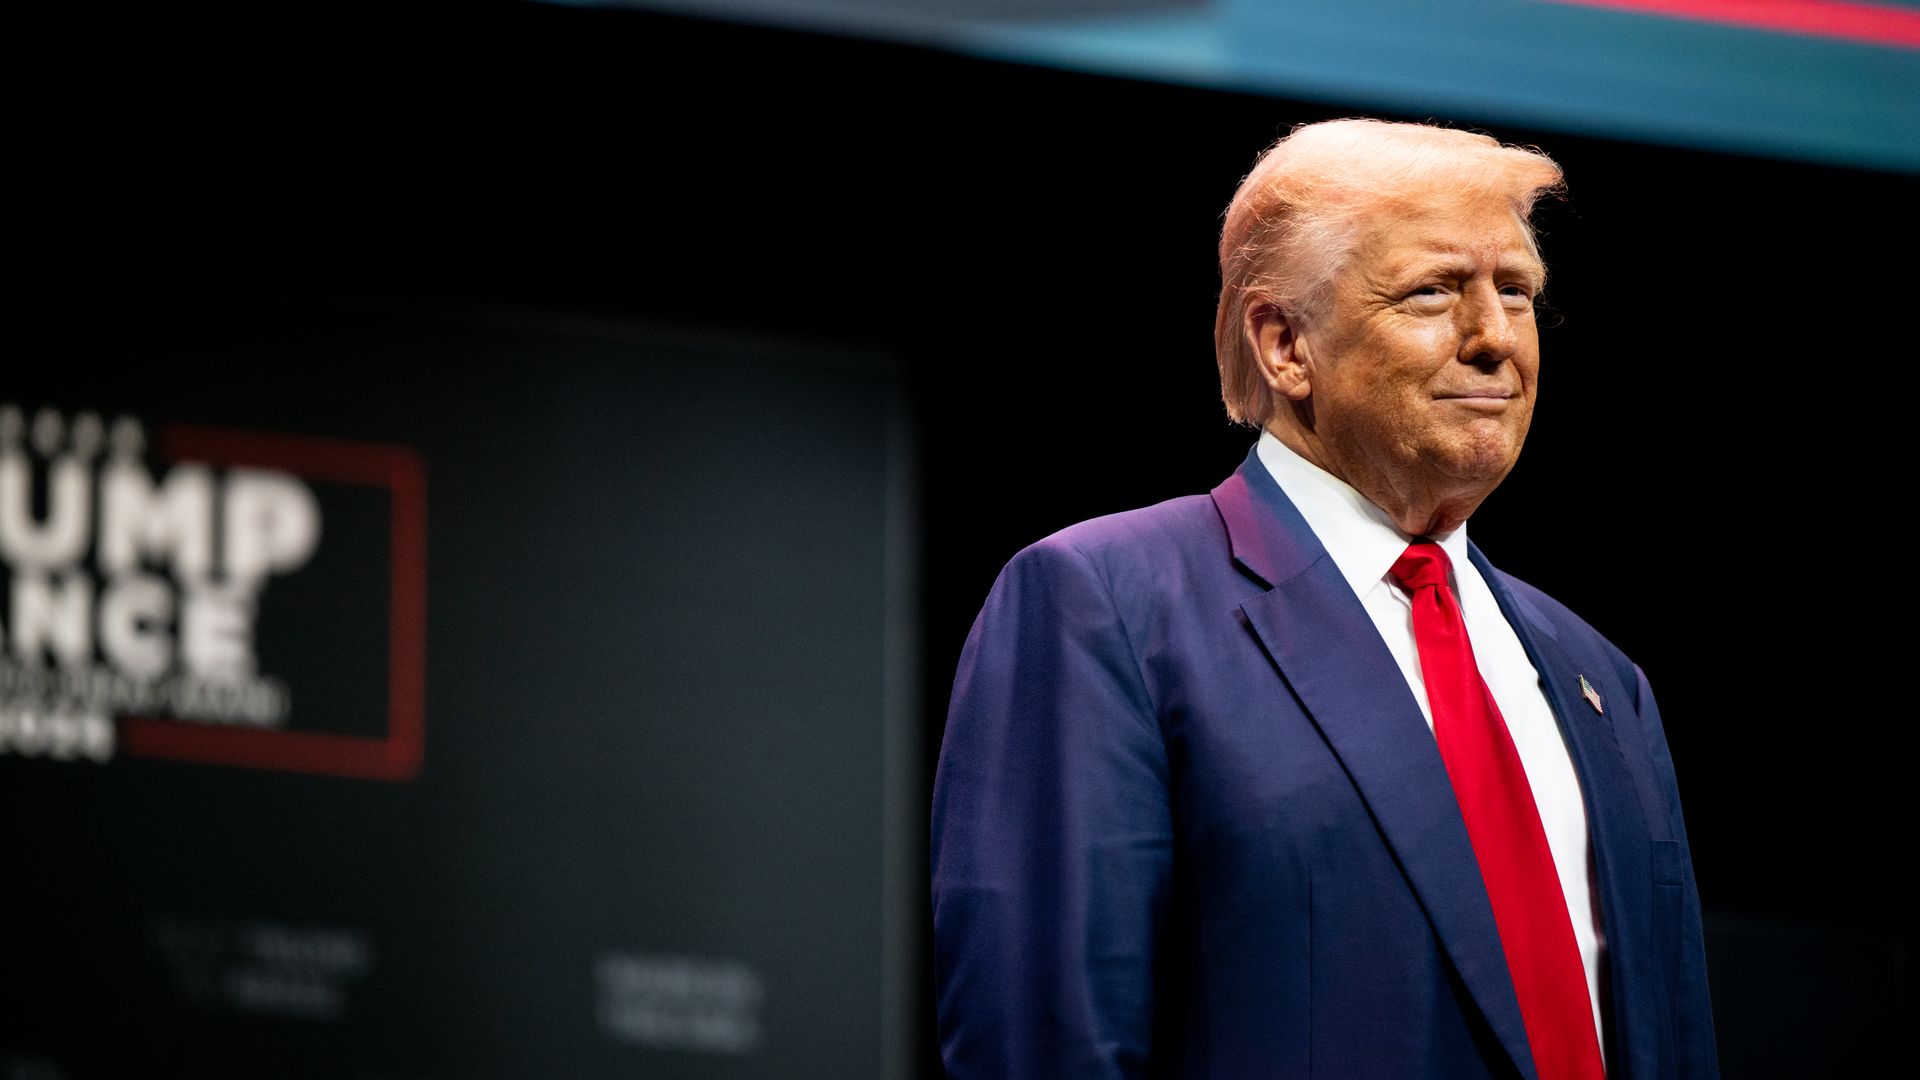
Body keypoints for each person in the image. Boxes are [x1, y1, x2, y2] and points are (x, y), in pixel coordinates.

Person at [930, 118, 1717, 1080]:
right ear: (1285, 344)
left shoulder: (1603, 682)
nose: (1495, 339)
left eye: (1516, 291)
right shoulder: (1108, 607)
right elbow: (1045, 1043)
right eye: (1435, 291)